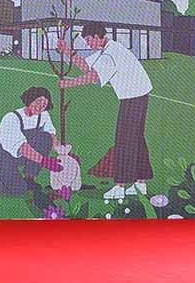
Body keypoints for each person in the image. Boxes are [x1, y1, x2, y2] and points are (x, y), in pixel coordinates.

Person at [58, 22, 153, 200]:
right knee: (137, 139)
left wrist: (68, 83)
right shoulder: (107, 50)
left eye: (89, 41)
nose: (88, 45)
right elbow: (87, 67)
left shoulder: (110, 53)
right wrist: (68, 51)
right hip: (138, 94)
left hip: (133, 96)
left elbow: (93, 76)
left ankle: (120, 185)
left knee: (124, 139)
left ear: (98, 37)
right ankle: (140, 183)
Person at [0, 87, 65, 196]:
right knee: (19, 189)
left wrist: (62, 152)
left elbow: (51, 135)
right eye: (38, 101)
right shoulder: (12, 118)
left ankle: (29, 179)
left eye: (44, 104)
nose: (41, 106)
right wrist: (45, 161)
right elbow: (23, 148)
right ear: (30, 99)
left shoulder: (44, 115)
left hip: (26, 155)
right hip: (2, 154)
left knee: (45, 138)